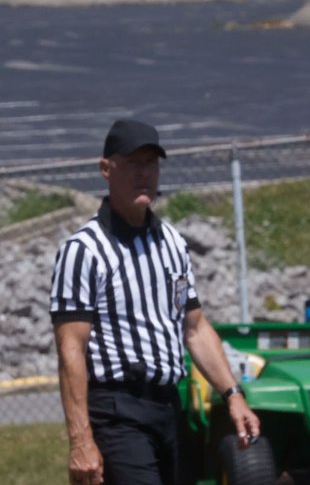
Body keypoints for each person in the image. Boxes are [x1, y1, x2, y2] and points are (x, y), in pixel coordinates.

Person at [49, 119, 261, 485]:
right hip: (118, 412)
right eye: (132, 163)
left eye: (151, 163)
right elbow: (71, 351)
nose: (143, 174)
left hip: (168, 407)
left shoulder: (172, 244)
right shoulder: (83, 250)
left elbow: (194, 328)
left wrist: (233, 395)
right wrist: (80, 440)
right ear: (106, 168)